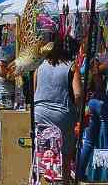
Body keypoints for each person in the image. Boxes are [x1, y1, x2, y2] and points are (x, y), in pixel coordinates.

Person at [34, 37, 82, 177]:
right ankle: (65, 180)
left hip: (39, 114)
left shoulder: (39, 66)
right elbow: (78, 94)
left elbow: (34, 90)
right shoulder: (71, 66)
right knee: (65, 152)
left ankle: (38, 178)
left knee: (40, 148)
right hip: (62, 115)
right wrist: (78, 111)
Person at [0, 44, 16, 108]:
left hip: (4, 92)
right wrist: (17, 78)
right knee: (6, 117)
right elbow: (1, 72)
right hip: (3, 92)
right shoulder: (7, 49)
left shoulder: (10, 49)